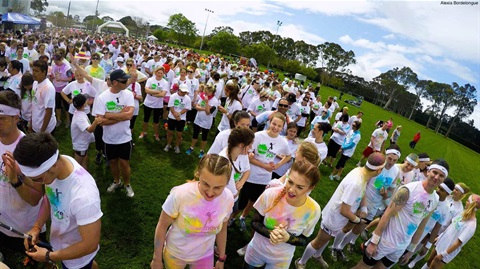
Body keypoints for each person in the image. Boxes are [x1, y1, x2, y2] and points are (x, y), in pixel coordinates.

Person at [14, 133, 102, 269]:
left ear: (53, 166)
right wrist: (37, 226)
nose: (36, 183)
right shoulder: (60, 163)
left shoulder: (84, 197)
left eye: (37, 179)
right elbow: (50, 198)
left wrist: (49, 256)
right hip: (62, 245)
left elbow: (90, 244)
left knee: (85, 265)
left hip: (77, 257)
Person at [351, 159, 449, 269]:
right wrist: (374, 242)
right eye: (435, 172)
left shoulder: (435, 199)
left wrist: (410, 251)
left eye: (441, 175)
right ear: (428, 171)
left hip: (400, 247)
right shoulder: (408, 190)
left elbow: (421, 226)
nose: (436, 177)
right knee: (362, 267)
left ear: (443, 179)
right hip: (384, 241)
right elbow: (386, 215)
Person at [295, 152, 386, 269]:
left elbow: (362, 191)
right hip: (334, 218)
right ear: (378, 171)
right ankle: (301, 262)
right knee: (318, 242)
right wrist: (358, 220)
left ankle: (317, 256)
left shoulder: (361, 172)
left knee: (328, 238)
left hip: (339, 219)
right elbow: (344, 210)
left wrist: (363, 207)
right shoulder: (356, 183)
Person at [150, 154, 234, 269]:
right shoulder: (180, 194)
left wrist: (221, 258)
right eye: (206, 184)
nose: (210, 193)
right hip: (175, 254)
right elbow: (162, 225)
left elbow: (222, 229)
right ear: (198, 173)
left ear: (227, 182)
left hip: (205, 255)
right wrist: (157, 259)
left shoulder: (228, 199)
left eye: (218, 188)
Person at [243, 160, 322, 269]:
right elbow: (254, 222)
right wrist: (270, 233)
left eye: (300, 187)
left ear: (311, 187)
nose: (291, 190)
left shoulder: (313, 210)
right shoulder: (270, 194)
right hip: (256, 251)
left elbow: (304, 239)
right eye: (290, 182)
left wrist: (287, 238)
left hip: (281, 259)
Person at [0, 91, 45, 266]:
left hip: (25, 228)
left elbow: (36, 198)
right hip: (2, 223)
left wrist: (16, 180)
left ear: (16, 117)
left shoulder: (29, 150)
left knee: (37, 261)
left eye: (2, 118)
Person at [237, 113, 291, 232]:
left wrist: (277, 165)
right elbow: (248, 157)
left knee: (253, 201)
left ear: (283, 128)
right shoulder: (258, 136)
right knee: (242, 202)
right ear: (269, 123)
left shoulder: (282, 142)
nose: (275, 127)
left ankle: (243, 217)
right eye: (274, 124)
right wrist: (264, 166)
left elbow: (288, 156)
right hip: (250, 175)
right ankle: (231, 217)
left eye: (279, 126)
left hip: (264, 179)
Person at [92, 69, 135, 197]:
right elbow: (100, 122)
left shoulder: (128, 95)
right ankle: (116, 181)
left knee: (124, 163)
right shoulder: (102, 98)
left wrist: (109, 115)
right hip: (109, 139)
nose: (126, 82)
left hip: (125, 138)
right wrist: (121, 115)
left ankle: (127, 184)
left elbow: (129, 116)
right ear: (115, 82)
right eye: (123, 80)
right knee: (113, 163)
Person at [406, 178, 455, 268]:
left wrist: (428, 245)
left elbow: (437, 227)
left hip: (421, 233)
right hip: (410, 225)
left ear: (447, 194)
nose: (438, 190)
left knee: (410, 248)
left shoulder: (446, 209)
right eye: (439, 187)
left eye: (442, 190)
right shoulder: (430, 195)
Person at [422, 194, 479, 269]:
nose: (466, 202)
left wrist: (443, 254)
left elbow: (458, 243)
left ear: (472, 205)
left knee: (433, 267)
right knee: (429, 261)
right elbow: (451, 227)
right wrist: (440, 237)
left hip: (447, 251)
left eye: (468, 200)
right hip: (442, 242)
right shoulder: (463, 214)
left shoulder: (471, 225)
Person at [220, 127, 254, 225]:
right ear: (241, 145)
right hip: (224, 201)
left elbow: (247, 170)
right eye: (250, 144)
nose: (251, 147)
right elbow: (232, 194)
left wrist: (241, 183)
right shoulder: (225, 163)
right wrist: (238, 190)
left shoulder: (241, 153)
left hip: (233, 198)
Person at [70, 94, 102, 170]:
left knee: (84, 160)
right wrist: (96, 122)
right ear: (84, 103)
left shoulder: (79, 113)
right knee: (77, 166)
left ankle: (85, 175)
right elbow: (90, 130)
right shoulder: (80, 118)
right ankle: (77, 179)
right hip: (81, 145)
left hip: (83, 143)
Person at [186, 83, 218, 158]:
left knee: (204, 136)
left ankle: (201, 151)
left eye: (207, 92)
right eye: (205, 91)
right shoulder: (203, 96)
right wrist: (204, 108)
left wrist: (206, 103)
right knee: (195, 134)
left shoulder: (215, 101)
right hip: (198, 119)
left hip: (206, 121)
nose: (205, 93)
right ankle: (191, 148)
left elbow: (208, 112)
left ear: (212, 92)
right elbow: (196, 107)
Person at [139, 66, 168, 141]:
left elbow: (163, 95)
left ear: (163, 74)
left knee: (156, 120)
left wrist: (151, 93)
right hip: (148, 103)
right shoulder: (150, 80)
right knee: (146, 119)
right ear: (155, 72)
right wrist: (158, 92)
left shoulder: (165, 82)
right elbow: (146, 91)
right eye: (158, 73)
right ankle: (144, 132)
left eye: (161, 73)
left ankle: (156, 134)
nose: (160, 74)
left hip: (158, 105)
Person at [164, 84, 192, 154]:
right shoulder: (173, 96)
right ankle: (168, 144)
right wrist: (176, 116)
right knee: (169, 132)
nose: (184, 93)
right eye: (183, 91)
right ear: (179, 90)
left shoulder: (188, 99)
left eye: (185, 92)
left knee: (179, 134)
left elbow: (186, 108)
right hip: (172, 118)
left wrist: (179, 114)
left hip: (181, 119)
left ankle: (177, 146)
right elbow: (171, 106)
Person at [31, 60, 57, 134]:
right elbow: (34, 104)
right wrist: (31, 122)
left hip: (45, 129)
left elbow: (49, 111)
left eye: (36, 71)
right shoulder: (35, 83)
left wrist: (42, 132)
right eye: (33, 70)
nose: (33, 73)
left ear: (44, 72)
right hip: (36, 124)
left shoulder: (48, 88)